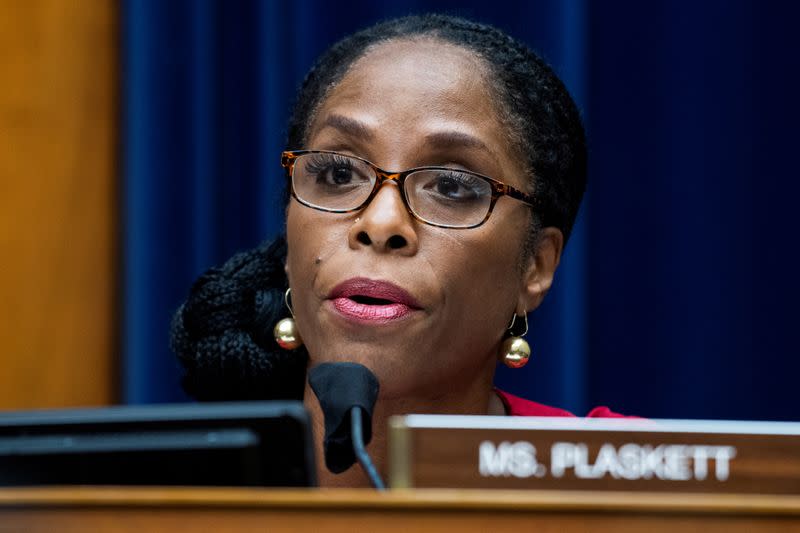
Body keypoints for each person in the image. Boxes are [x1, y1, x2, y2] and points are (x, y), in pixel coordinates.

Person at [170, 14, 626, 488]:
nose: (381, 223)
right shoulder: (151, 503)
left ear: (536, 265)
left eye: (451, 186)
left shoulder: (626, 488)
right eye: (338, 175)